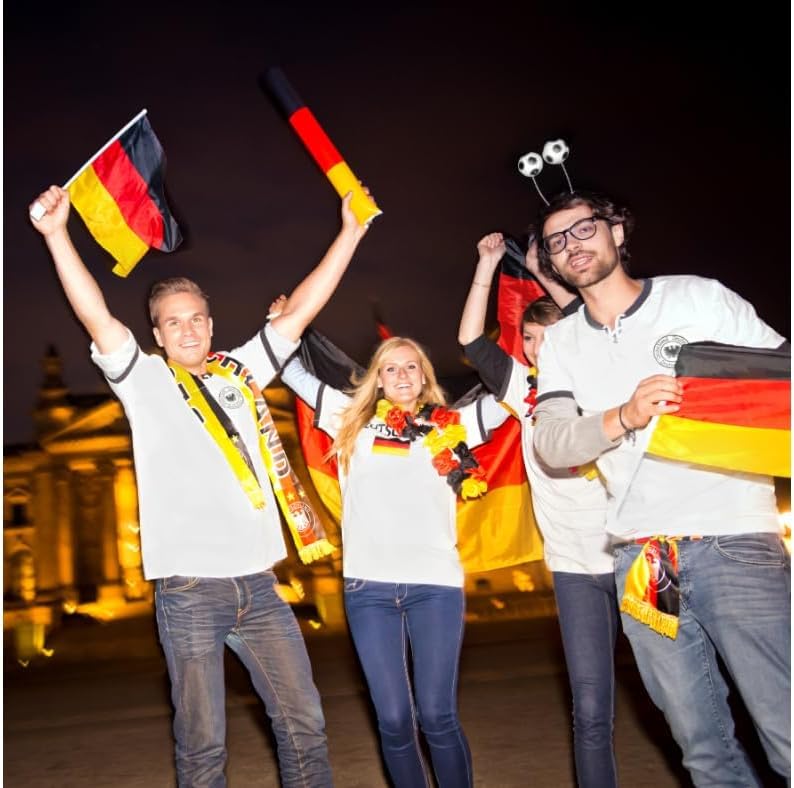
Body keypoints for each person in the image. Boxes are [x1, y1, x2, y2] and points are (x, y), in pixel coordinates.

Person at [30, 183, 373, 787]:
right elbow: (96, 315)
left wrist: (350, 231)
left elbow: (299, 312)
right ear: (157, 335)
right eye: (173, 323)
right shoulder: (143, 382)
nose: (187, 331)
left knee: (304, 725)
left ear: (210, 325)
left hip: (261, 586)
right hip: (189, 591)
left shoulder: (241, 373)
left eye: (195, 319)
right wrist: (58, 235)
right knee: (203, 746)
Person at [531, 190, 790, 786]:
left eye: (584, 228)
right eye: (556, 241)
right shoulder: (562, 342)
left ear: (617, 232)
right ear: (550, 261)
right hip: (645, 559)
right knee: (702, 748)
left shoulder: (697, 298)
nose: (572, 245)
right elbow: (553, 444)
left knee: (787, 730)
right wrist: (622, 415)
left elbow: (784, 381)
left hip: (733, 539)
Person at [270, 318, 506, 788]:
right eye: (391, 368)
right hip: (369, 589)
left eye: (411, 367)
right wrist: (285, 322)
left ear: (424, 376)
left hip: (435, 587)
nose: (402, 375)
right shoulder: (349, 418)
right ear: (377, 378)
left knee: (437, 715)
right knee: (395, 720)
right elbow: (291, 370)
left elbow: (513, 392)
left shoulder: (455, 425)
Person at [458, 233, 618, 788]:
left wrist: (544, 273)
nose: (536, 347)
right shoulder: (521, 388)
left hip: (633, 557)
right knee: (590, 709)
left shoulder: (601, 377)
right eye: (528, 338)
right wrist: (486, 265)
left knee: (674, 691)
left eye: (547, 336)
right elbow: (470, 340)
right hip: (573, 567)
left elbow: (591, 312)